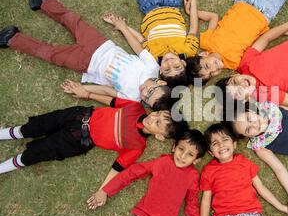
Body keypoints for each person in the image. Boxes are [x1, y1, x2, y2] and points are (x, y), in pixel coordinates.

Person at [0, 0, 174, 110]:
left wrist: (86, 91)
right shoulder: (152, 68)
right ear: (161, 82)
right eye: (150, 91)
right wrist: (122, 27)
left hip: (87, 63)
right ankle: (43, 1)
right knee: (73, 20)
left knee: (51, 53)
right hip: (101, 45)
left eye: (146, 98)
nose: (144, 93)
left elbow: (108, 92)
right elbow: (138, 48)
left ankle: (12, 39)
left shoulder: (132, 97)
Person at [0, 80, 188, 198]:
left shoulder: (137, 146)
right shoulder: (136, 108)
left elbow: (116, 169)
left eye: (157, 124)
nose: (152, 118)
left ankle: (7, 166)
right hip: (78, 115)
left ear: (159, 136)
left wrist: (103, 191)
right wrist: (87, 94)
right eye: (157, 115)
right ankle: (9, 133)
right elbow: (111, 101)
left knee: (40, 152)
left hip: (77, 140)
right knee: (36, 126)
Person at [87, 130, 207, 216]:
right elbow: (133, 172)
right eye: (181, 149)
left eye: (190, 154)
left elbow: (191, 204)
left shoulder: (192, 176)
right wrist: (105, 190)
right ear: (173, 147)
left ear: (196, 160)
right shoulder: (162, 162)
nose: (182, 156)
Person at [129, 0, 200, 86]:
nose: (170, 63)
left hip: (149, 3)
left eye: (167, 69)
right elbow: (193, 28)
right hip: (172, 1)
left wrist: (122, 26)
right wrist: (193, 3)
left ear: (160, 70)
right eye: (177, 67)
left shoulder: (152, 55)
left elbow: (140, 39)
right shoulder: (188, 50)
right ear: (183, 63)